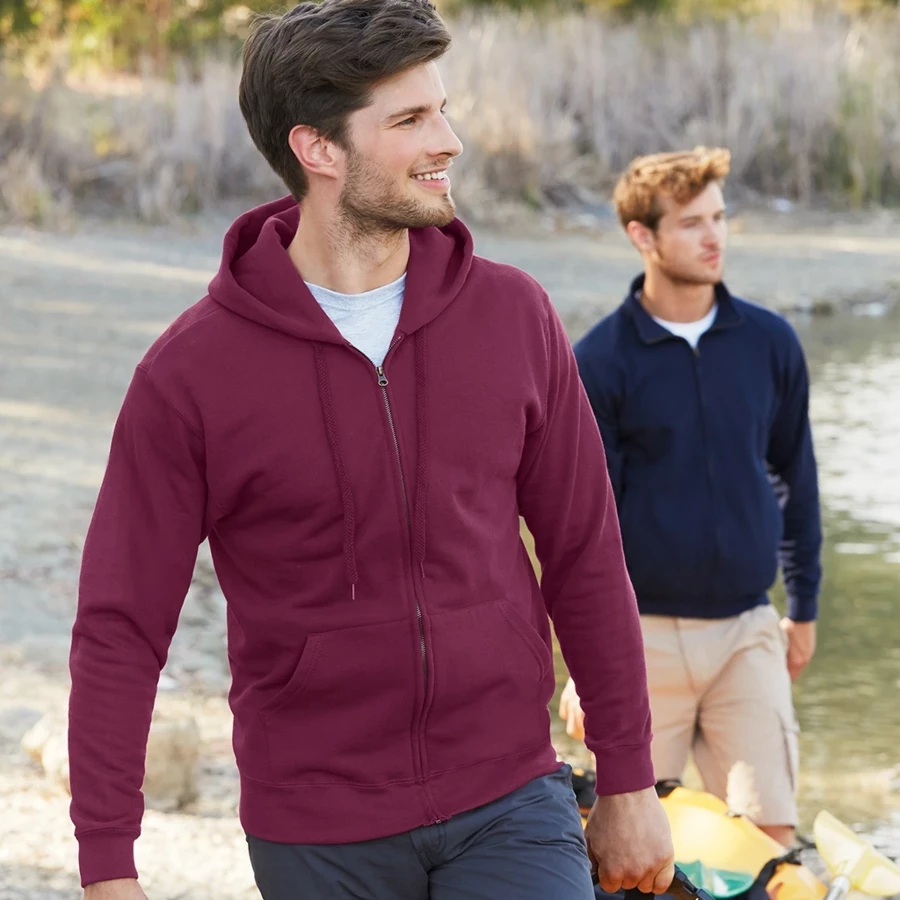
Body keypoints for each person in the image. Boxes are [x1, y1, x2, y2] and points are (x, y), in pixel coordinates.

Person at [67, 2, 676, 898]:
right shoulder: (191, 374)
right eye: (411, 119)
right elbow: (121, 626)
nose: (450, 141)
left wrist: (627, 778)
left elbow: (585, 553)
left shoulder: (512, 317)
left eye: (443, 110)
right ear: (317, 148)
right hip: (316, 828)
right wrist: (107, 866)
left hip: (509, 792)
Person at [559, 147, 822, 849]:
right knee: (630, 849)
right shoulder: (600, 361)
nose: (715, 237)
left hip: (747, 630)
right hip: (638, 637)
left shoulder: (770, 343)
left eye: (720, 218)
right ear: (642, 236)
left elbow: (796, 478)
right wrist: (585, 665)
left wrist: (804, 606)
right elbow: (583, 528)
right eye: (692, 223)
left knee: (771, 840)